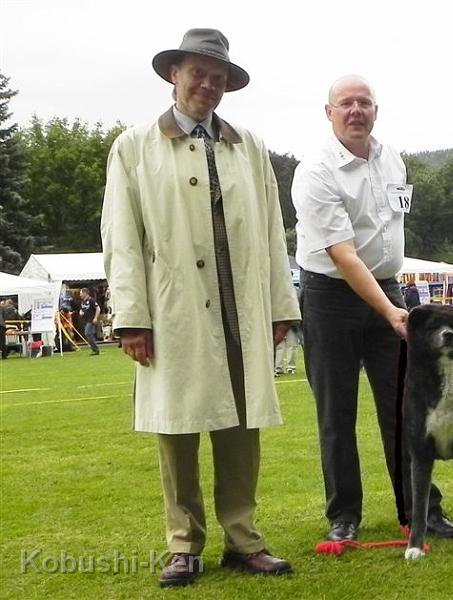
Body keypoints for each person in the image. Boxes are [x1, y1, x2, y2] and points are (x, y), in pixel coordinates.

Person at [101, 29, 300, 588]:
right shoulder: (133, 146)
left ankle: (245, 540)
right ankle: (183, 545)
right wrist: (131, 317)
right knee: (178, 429)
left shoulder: (250, 146)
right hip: (174, 312)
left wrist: (280, 303)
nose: (207, 85)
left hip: (243, 309)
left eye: (218, 78)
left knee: (242, 428)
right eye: (198, 73)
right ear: (174, 75)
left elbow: (272, 234)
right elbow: (121, 237)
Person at [292, 74, 453, 544]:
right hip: (330, 297)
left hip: (388, 288)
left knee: (405, 407)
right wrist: (392, 312)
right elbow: (343, 254)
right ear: (328, 113)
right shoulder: (315, 171)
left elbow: (390, 230)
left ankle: (421, 509)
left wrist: (395, 297)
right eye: (345, 103)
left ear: (376, 110)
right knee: (337, 413)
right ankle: (344, 516)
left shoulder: (392, 159)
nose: (356, 111)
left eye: (364, 103)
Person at [79, 288, 100, 356]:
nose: (80, 295)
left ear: (85, 293)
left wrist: (96, 318)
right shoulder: (83, 302)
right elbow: (82, 310)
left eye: (81, 293)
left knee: (87, 333)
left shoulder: (91, 300)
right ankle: (94, 349)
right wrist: (81, 312)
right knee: (89, 334)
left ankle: (95, 349)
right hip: (85, 320)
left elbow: (98, 309)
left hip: (91, 320)